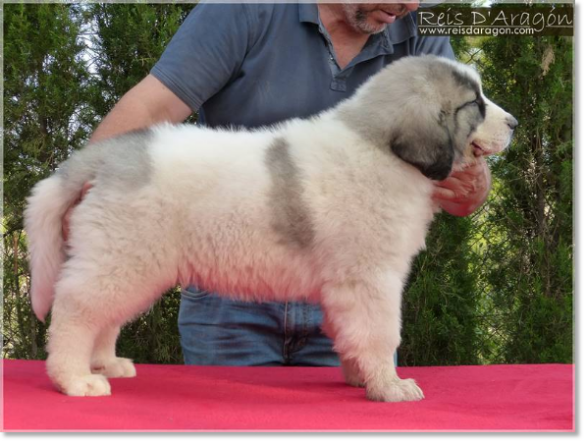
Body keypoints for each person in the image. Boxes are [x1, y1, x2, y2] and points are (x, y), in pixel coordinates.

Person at [64, 2, 492, 367]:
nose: (412, 5)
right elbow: (154, 104)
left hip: (350, 283)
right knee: (231, 425)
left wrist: (475, 184)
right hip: (230, 283)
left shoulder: (418, 21)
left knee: (354, 423)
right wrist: (84, 191)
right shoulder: (244, 10)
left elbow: (463, 133)